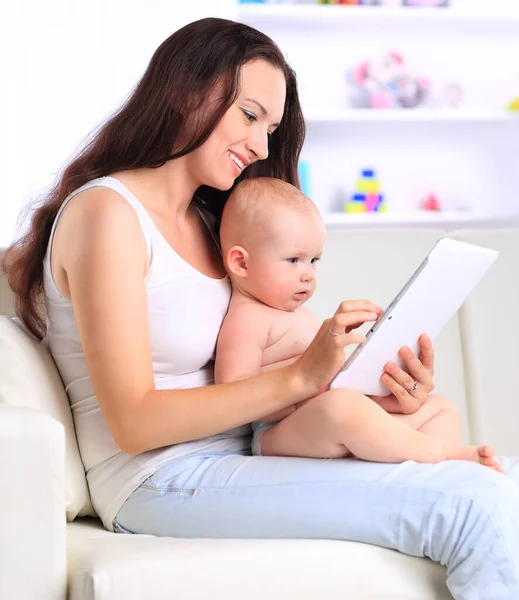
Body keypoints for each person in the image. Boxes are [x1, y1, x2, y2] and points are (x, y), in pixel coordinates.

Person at [2, 17, 519, 600]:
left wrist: (377, 389)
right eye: (250, 115)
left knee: (507, 480)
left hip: (249, 449)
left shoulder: (214, 224)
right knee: (474, 504)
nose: (262, 146)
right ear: (186, 91)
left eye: (271, 128)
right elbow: (134, 423)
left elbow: (270, 367)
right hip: (159, 479)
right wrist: (304, 376)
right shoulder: (108, 215)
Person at [216, 176, 502, 470]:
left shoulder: (299, 314)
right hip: (278, 433)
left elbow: (329, 383)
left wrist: (367, 377)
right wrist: (316, 386)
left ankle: (443, 477)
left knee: (438, 407)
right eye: (293, 260)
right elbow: (233, 398)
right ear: (241, 263)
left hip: (331, 418)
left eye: (314, 260)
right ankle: (438, 454)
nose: (309, 274)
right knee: (341, 406)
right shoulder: (247, 318)